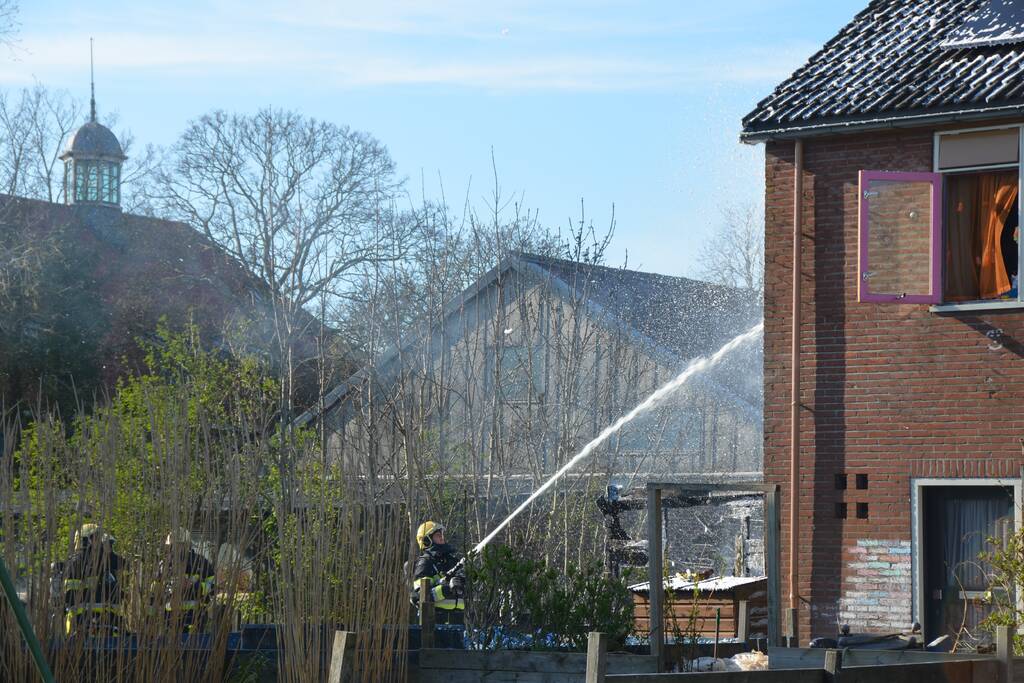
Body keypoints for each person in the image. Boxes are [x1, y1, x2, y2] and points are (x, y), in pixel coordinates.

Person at [62, 523, 125, 637]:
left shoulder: (73, 562)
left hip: (83, 621)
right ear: (88, 540)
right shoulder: (103, 558)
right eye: (96, 538)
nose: (100, 542)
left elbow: (67, 596)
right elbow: (122, 564)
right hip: (101, 620)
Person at [158, 528, 215, 632]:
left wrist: (194, 586)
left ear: (185, 545)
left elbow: (212, 587)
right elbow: (156, 588)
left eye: (177, 545)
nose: (173, 549)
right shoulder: (164, 565)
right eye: (171, 546)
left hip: (195, 616)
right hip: (170, 617)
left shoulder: (201, 563)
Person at [411, 521, 465, 625]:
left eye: (442, 535)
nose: (442, 538)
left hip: (458, 621)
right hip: (433, 622)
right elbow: (420, 597)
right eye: (438, 535)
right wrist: (447, 588)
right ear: (427, 540)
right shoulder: (425, 563)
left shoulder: (452, 561)